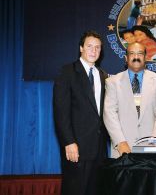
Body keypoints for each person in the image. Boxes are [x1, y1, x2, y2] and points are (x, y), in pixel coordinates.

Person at [53, 30, 108, 195]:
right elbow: (60, 111)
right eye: (90, 46)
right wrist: (68, 142)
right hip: (76, 148)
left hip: (99, 150)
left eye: (97, 47)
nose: (94, 51)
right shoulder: (67, 72)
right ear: (81, 48)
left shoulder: (103, 76)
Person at [103, 42, 156, 158]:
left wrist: (155, 142)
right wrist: (120, 142)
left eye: (140, 53)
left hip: (151, 149)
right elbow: (109, 114)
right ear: (126, 58)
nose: (136, 57)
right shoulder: (112, 82)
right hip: (122, 149)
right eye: (132, 54)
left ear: (145, 57)